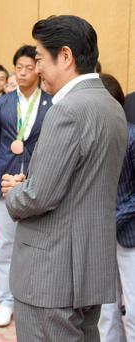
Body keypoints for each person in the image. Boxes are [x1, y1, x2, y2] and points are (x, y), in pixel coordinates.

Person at [2, 15, 127, 340]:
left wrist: (15, 192)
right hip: (88, 269)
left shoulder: (67, 110)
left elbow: (38, 196)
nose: (37, 68)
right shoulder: (111, 106)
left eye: (41, 58)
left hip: (50, 275)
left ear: (66, 57)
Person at [0, 45, 52, 328]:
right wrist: (4, 167)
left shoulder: (52, 102)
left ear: (38, 69)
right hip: (4, 180)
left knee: (34, 244)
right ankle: (5, 300)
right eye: (19, 68)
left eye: (29, 67)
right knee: (5, 243)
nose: (24, 73)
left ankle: (30, 296)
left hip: (37, 183)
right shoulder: (1, 104)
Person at [98, 73, 135, 342]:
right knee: (105, 310)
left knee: (133, 311)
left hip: (130, 237)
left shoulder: (132, 137)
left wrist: (113, 219)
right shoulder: (89, 138)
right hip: (100, 238)